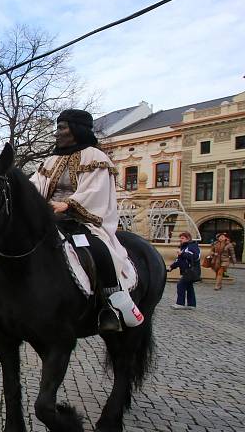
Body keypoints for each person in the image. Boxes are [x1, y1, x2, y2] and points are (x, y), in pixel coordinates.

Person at [30, 109, 144, 333]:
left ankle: (110, 304)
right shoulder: (51, 160)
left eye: (62, 128)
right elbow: (36, 184)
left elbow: (96, 190)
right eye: (58, 127)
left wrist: (69, 204)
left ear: (76, 129)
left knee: (98, 250)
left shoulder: (96, 157)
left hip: (80, 221)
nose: (57, 133)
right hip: (49, 219)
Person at [167, 231, 200, 309]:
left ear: (188, 239)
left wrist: (182, 254)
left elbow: (195, 257)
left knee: (181, 285)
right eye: (180, 238)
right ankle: (191, 304)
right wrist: (171, 267)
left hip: (190, 271)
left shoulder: (192, 246)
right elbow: (179, 261)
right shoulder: (184, 247)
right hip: (187, 271)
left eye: (182, 238)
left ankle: (180, 303)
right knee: (189, 287)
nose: (181, 240)